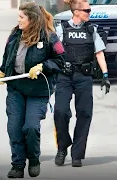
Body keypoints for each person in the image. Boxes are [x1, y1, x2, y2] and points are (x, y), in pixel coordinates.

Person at [0, 2, 65, 178]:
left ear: (32, 19)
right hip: (16, 88)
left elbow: (61, 61)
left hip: (38, 90)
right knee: (14, 127)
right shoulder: (14, 35)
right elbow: (8, 54)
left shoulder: (50, 37)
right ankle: (18, 165)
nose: (18, 20)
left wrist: (43, 66)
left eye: (21, 17)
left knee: (31, 127)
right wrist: (3, 71)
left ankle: (33, 159)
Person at [53, 0, 110, 168]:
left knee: (84, 114)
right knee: (61, 112)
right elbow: (53, 52)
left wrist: (105, 75)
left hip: (84, 77)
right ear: (76, 12)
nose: (89, 13)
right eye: (87, 10)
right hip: (65, 77)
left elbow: (99, 53)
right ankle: (62, 147)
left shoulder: (91, 30)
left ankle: (77, 154)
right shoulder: (61, 29)